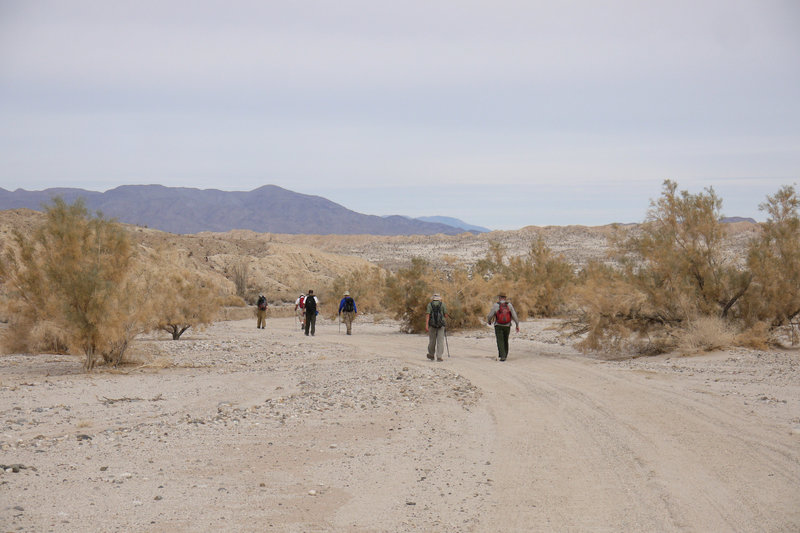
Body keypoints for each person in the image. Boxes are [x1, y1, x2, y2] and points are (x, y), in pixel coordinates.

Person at [487, 293, 520, 361]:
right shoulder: (509, 305)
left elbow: (490, 315)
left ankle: (502, 356)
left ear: (499, 297)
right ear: (505, 298)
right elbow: (514, 315)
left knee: (500, 340)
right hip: (507, 325)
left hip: (498, 325)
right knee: (505, 340)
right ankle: (505, 354)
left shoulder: (496, 305)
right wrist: (517, 325)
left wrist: (489, 321)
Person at [425, 293, 448, 361]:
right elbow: (445, 315)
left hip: (432, 325)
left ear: (433, 298)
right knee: (440, 341)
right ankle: (439, 356)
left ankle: (431, 355)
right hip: (441, 325)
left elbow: (427, 315)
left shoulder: (430, 304)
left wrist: (426, 325)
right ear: (439, 298)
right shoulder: (443, 304)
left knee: (432, 340)